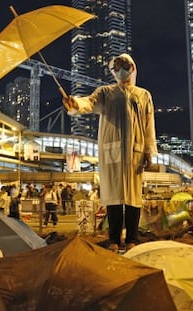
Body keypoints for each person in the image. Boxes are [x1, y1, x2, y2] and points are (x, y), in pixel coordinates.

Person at [62, 53, 157, 252]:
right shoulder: (105, 92)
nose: (121, 70)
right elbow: (88, 102)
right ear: (112, 71)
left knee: (133, 197)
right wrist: (75, 103)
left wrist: (149, 152)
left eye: (125, 65)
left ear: (133, 67)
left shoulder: (143, 95)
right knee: (113, 196)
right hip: (111, 151)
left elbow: (149, 126)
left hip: (135, 152)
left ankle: (132, 237)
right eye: (117, 67)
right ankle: (114, 239)